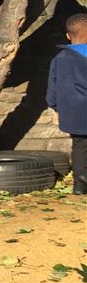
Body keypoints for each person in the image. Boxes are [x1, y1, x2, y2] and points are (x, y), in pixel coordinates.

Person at [47, 13, 87, 195]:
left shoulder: (59, 59)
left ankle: (80, 186)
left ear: (68, 35)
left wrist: (56, 106)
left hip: (73, 112)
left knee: (79, 147)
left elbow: (53, 90)